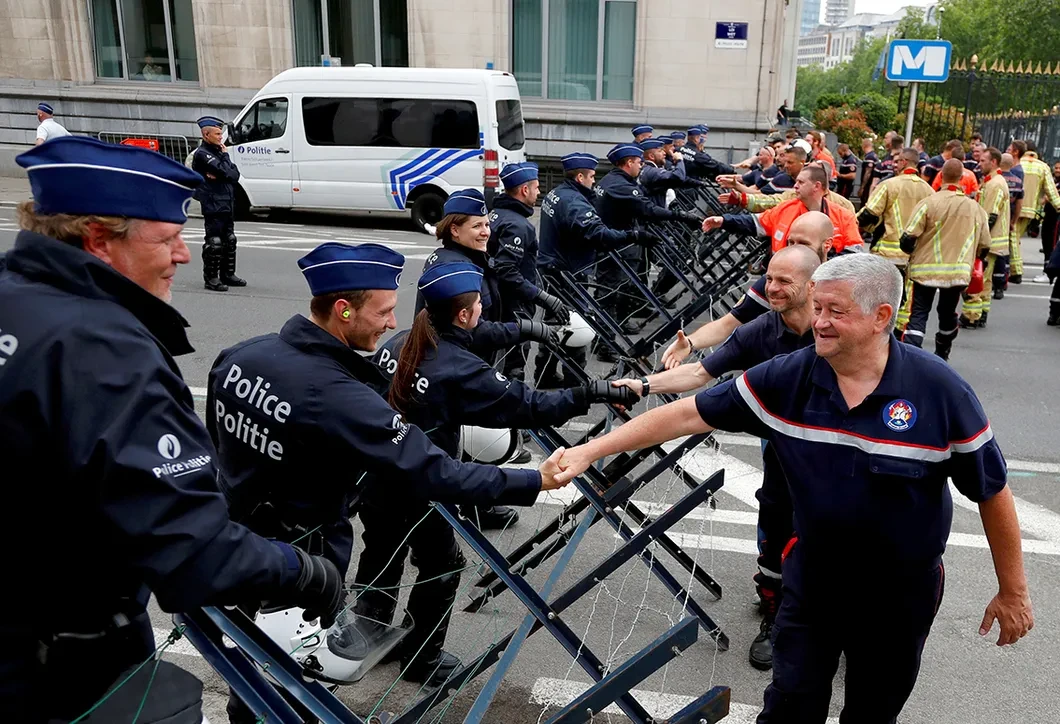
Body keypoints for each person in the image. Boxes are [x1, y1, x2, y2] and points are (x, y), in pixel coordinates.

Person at [556, 253, 1033, 724]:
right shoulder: (790, 376)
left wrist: (1013, 591)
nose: (818, 322)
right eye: (818, 307)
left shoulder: (940, 391)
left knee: (873, 710)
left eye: (835, 311)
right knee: (790, 705)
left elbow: (991, 490)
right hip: (814, 579)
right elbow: (687, 414)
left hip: (899, 593)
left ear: (880, 317)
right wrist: (591, 451)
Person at [1, 136, 346, 723]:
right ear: (99, 240)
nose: (182, 255)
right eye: (166, 239)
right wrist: (305, 572)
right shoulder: (106, 351)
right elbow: (193, 551)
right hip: (62, 665)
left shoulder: (16, 298)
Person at [207, 244, 568, 700]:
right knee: (289, 687)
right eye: (383, 312)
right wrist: (534, 480)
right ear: (344, 310)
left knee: (245, 664)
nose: (393, 323)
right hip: (305, 570)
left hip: (236, 546)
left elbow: (218, 448)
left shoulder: (241, 356)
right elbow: (436, 471)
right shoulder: (342, 397)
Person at [355, 261, 635, 686]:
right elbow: (530, 405)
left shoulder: (404, 340)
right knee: (442, 565)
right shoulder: (458, 367)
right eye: (479, 305)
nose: (483, 310)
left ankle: (364, 639)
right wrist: (592, 392)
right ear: (464, 314)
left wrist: (529, 330)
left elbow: (479, 338)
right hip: (424, 483)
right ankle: (421, 659)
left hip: (377, 475)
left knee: (380, 553)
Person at [614, 245, 820, 670]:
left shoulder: (835, 326)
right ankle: (777, 618)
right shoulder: (760, 331)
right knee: (777, 530)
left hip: (840, 456)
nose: (771, 288)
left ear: (813, 285)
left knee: (843, 539)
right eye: (769, 278)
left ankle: (840, 621)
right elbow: (699, 374)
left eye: (784, 281)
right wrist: (643, 385)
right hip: (785, 453)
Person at [660, 211, 836, 369]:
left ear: (827, 245)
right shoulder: (775, 282)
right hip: (781, 371)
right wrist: (690, 342)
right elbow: (728, 323)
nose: (794, 248)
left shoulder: (843, 280)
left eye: (803, 243)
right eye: (790, 242)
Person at [536, 152, 655, 385]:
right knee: (575, 325)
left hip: (554, 267)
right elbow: (599, 234)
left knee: (555, 322)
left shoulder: (557, 193)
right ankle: (576, 380)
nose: (594, 181)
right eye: (591, 176)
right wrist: (633, 235)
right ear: (580, 177)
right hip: (567, 272)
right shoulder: (574, 202)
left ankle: (545, 374)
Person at [594, 143, 701, 334]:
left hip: (614, 240)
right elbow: (648, 209)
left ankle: (611, 324)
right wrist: (680, 216)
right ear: (628, 163)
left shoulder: (610, 179)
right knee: (617, 287)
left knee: (612, 286)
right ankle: (610, 330)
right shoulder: (622, 186)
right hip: (620, 243)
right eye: (638, 162)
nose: (641, 165)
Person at [897, 159, 991, 360]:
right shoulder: (975, 208)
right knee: (947, 313)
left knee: (919, 313)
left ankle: (912, 357)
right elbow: (985, 245)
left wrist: (912, 252)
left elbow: (907, 238)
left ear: (941, 176)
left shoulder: (928, 203)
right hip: (957, 273)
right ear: (961, 178)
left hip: (924, 271)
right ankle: (942, 353)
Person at [488, 163, 571, 384]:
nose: (539, 192)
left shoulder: (496, 215)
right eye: (536, 187)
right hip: (514, 304)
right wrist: (542, 297)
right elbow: (507, 270)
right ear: (524, 190)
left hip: (497, 301)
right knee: (513, 361)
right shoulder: (518, 225)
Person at [702, 164, 861, 254]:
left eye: (801, 182)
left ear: (817, 186)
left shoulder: (844, 212)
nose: (795, 186)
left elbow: (854, 254)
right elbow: (756, 221)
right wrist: (724, 221)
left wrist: (827, 270)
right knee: (749, 302)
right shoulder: (786, 207)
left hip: (822, 286)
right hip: (783, 277)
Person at [191, 116, 244, 291]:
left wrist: (225, 160)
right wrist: (225, 168)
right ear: (206, 135)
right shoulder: (203, 154)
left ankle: (227, 274)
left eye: (221, 133)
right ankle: (211, 278)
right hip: (213, 202)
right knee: (214, 242)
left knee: (230, 239)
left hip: (227, 202)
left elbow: (234, 175)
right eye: (217, 134)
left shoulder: (220, 152)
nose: (221, 137)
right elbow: (226, 172)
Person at [960, 147, 1011, 330]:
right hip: (995, 241)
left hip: (989, 241)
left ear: (994, 162)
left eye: (983, 161)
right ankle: (981, 314)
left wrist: (979, 240)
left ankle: (971, 316)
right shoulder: (993, 182)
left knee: (976, 278)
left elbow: (990, 216)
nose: (979, 164)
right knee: (986, 280)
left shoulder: (995, 184)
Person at [1012, 139, 1060, 284]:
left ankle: (1016, 270)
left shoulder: (1016, 163)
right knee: (1014, 238)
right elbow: (1051, 191)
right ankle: (1013, 269)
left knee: (1013, 237)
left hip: (1014, 207)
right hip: (1030, 209)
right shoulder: (1042, 167)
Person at [997, 152, 1025, 297]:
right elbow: (1019, 204)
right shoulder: (1018, 181)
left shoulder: (995, 180)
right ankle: (1004, 280)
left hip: (995, 219)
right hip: (1008, 219)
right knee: (1005, 251)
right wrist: (1014, 221)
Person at [858, 137, 879, 207]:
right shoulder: (874, 156)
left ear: (864, 146)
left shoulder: (869, 157)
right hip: (871, 184)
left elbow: (867, 173)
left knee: (864, 204)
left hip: (868, 185)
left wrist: (862, 187)